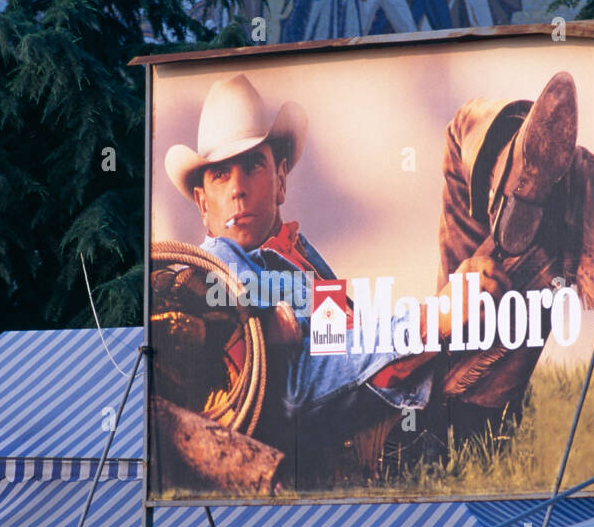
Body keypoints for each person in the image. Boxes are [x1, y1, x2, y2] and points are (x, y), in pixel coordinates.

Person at [160, 73, 520, 473]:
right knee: (501, 260)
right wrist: (429, 321)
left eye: (252, 166)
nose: (237, 189)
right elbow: (296, 388)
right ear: (202, 202)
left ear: (280, 180)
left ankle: (523, 178)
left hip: (406, 382)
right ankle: (528, 190)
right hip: (384, 425)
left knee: (488, 269)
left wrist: (432, 317)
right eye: (220, 174)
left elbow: (344, 339)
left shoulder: (295, 254)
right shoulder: (218, 270)